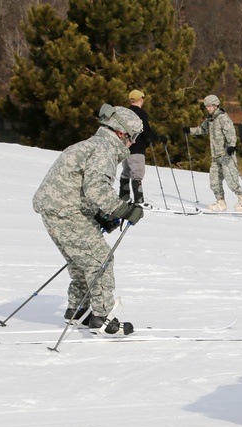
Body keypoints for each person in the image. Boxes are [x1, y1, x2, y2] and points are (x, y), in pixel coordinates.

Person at [32, 104, 145, 332]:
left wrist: (98, 215)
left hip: (55, 209)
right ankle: (102, 318)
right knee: (101, 261)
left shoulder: (90, 145)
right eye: (132, 136)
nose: (133, 142)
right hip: (67, 211)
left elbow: (77, 186)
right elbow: (96, 188)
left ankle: (78, 311)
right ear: (121, 132)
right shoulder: (104, 149)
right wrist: (123, 210)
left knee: (81, 262)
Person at [183, 94, 242, 212]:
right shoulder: (210, 119)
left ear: (215, 105)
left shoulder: (223, 118)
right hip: (215, 155)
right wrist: (189, 130)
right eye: (206, 106)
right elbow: (202, 129)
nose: (207, 108)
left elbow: (231, 132)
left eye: (209, 106)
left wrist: (231, 145)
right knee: (214, 180)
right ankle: (221, 202)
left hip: (226, 154)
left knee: (231, 179)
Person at [119, 89, 166, 208]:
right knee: (137, 173)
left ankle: (124, 197)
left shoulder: (126, 112)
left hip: (125, 147)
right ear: (140, 99)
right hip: (137, 148)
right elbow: (146, 130)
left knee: (126, 172)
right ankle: (139, 201)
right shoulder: (141, 113)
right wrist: (158, 138)